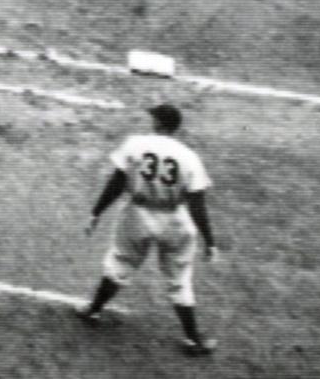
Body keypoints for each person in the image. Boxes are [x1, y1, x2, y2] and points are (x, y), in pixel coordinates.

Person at [76, 102, 220, 358]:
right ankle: (192, 339)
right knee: (179, 280)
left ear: (160, 124)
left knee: (119, 263)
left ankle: (93, 310)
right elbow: (197, 204)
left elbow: (117, 182)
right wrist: (210, 241)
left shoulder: (135, 144)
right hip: (175, 219)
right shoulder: (189, 157)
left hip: (137, 215)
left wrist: (96, 212)